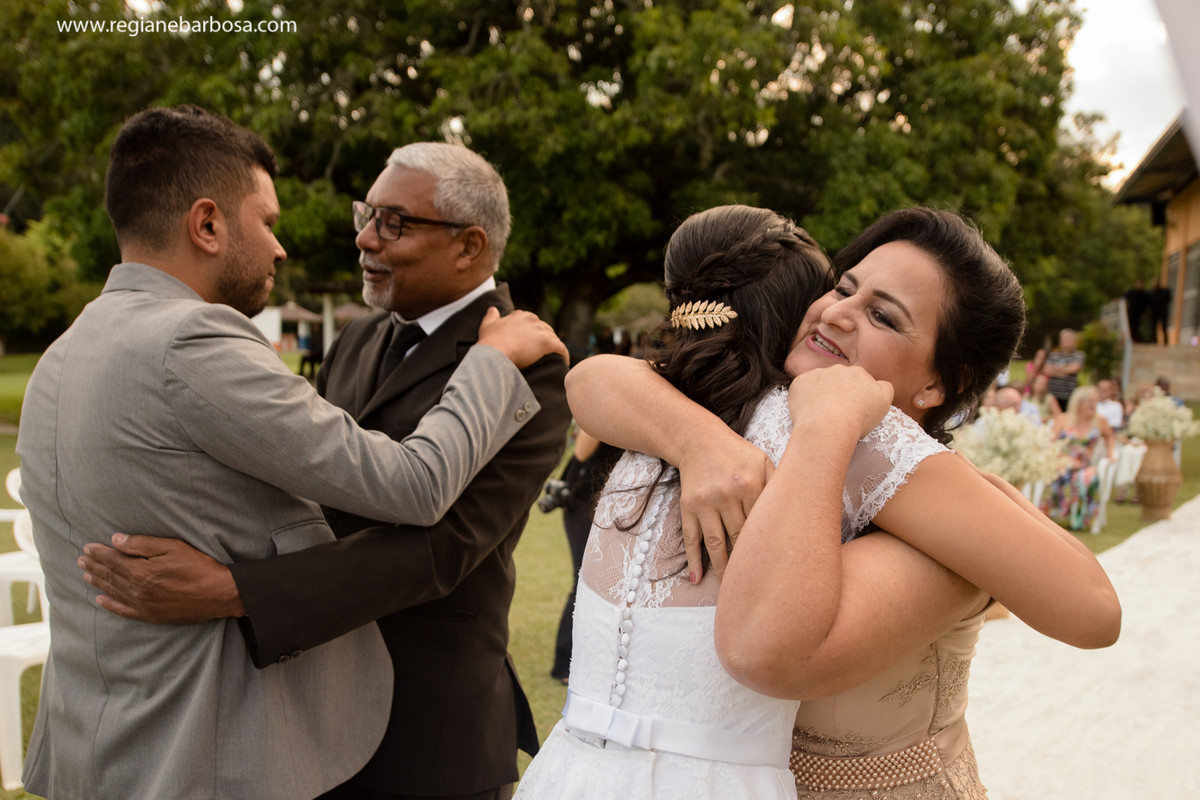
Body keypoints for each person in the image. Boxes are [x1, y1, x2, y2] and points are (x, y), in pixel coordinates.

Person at [16, 106, 564, 800]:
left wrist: (237, 592)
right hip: (288, 705)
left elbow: (441, 547)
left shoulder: (529, 365)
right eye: (366, 214)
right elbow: (295, 488)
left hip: (428, 722)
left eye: (393, 222)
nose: (364, 238)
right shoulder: (359, 338)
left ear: (468, 245)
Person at [555, 207, 1119, 800]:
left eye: (882, 315)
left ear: (938, 384)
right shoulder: (758, 408)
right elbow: (595, 380)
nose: (839, 312)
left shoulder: (877, 447)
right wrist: (702, 443)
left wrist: (979, 492)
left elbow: (1094, 610)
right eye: (844, 286)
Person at [543, 427, 623, 684]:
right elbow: (581, 450)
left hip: (609, 501)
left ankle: (591, 659)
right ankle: (565, 665)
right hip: (584, 499)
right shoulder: (610, 407)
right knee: (583, 580)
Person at [1042, 385, 1117, 531]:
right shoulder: (1064, 419)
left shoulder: (1099, 421)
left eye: (1095, 401)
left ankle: (1079, 518)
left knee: (1085, 477)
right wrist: (1064, 459)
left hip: (1086, 465)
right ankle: (1055, 513)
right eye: (1089, 401)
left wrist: (1111, 453)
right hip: (1062, 461)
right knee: (1059, 473)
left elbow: (1110, 436)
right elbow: (1049, 444)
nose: (1093, 405)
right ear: (1078, 402)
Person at [1042, 328, 1085, 409]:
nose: (1066, 341)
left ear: (1074, 341)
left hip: (1069, 395)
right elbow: (1046, 370)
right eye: (1064, 339)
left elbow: (1075, 368)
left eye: (1068, 339)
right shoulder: (1054, 355)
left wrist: (1056, 370)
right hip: (1053, 395)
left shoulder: (1079, 355)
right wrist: (1065, 370)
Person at [1150, 279, 1171, 344]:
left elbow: (1168, 299)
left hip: (1163, 312)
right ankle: (1154, 340)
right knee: (1154, 327)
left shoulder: (1164, 292)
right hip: (1155, 312)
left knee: (1164, 327)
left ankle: (1165, 341)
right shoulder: (1152, 292)